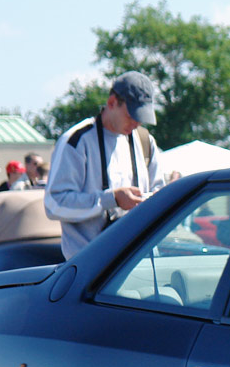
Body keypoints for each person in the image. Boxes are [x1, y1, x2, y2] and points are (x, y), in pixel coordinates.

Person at [44, 71, 163, 259]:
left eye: (141, 116)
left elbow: (160, 193)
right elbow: (54, 204)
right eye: (132, 114)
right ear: (112, 102)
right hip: (90, 268)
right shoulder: (77, 142)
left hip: (139, 262)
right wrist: (111, 199)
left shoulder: (145, 141)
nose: (137, 122)